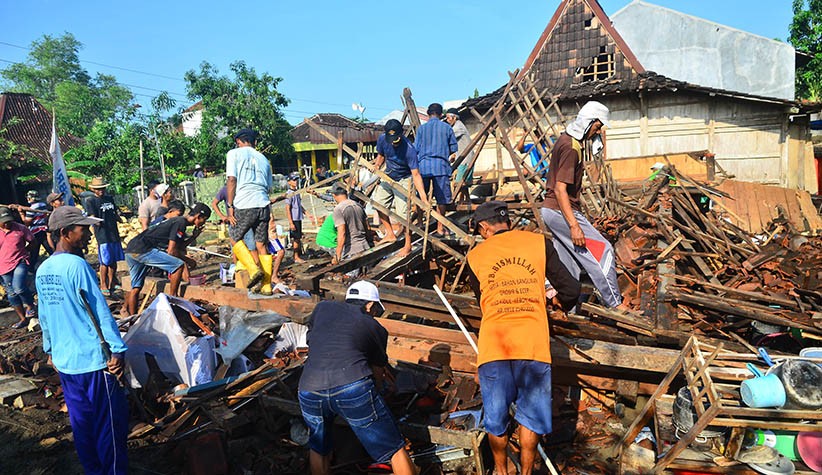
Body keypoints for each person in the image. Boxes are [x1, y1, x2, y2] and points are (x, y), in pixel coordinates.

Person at [465, 201, 580, 475]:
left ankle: (502, 472)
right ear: (507, 222)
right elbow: (571, 288)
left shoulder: (476, 256)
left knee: (496, 420)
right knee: (531, 419)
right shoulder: (538, 243)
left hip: (495, 347)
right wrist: (557, 301)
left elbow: (480, 298)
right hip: (533, 346)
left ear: (484, 227)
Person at [36, 206, 129, 474]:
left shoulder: (44, 270)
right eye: (83, 229)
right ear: (65, 233)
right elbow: (100, 312)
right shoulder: (77, 266)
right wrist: (117, 350)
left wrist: (50, 348)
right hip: (93, 363)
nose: (89, 234)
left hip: (66, 363)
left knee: (83, 426)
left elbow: (45, 314)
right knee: (109, 428)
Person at [298, 281, 416, 475]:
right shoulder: (374, 327)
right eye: (376, 309)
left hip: (309, 388)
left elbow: (312, 340)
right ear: (369, 305)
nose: (375, 314)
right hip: (351, 387)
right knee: (394, 449)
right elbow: (377, 369)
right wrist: (380, 392)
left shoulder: (323, 308)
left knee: (319, 447)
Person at [540, 101, 623, 308]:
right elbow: (560, 189)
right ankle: (614, 303)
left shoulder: (566, 140)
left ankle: (563, 304)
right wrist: (574, 225)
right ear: (589, 122)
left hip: (552, 210)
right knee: (602, 250)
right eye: (597, 126)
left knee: (567, 261)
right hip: (559, 210)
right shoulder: (571, 148)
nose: (598, 131)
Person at [124, 203, 210, 315]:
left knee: (136, 288)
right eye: (205, 219)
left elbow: (179, 247)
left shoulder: (178, 221)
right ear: (198, 216)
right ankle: (173, 298)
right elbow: (172, 251)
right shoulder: (180, 223)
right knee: (178, 265)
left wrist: (193, 236)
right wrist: (188, 260)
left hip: (131, 249)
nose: (204, 222)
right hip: (143, 250)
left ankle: (133, 320)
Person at [226, 128, 272, 290]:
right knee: (261, 244)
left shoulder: (234, 153)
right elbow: (269, 187)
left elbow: (232, 180)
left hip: (245, 203)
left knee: (234, 237)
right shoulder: (264, 159)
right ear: (255, 143)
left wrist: (230, 205)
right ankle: (267, 287)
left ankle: (253, 270)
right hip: (264, 204)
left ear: (238, 141)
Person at [373, 119, 427, 256]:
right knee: (378, 203)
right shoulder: (382, 139)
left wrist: (424, 198)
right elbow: (381, 155)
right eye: (391, 139)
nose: (393, 142)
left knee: (404, 215)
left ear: (401, 134)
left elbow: (416, 174)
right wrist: (377, 166)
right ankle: (390, 233)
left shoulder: (409, 149)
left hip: (405, 179)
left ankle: (407, 245)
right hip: (389, 175)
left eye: (396, 139)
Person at [414, 103, 458, 236]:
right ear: (441, 115)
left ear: (428, 114)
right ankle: (440, 227)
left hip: (424, 167)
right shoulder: (447, 128)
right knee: (442, 198)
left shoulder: (422, 129)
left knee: (421, 195)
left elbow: (416, 148)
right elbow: (454, 149)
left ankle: (421, 222)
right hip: (441, 167)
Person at [84, 177, 126, 296]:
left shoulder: (109, 199)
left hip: (113, 233)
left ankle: (112, 282)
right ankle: (103, 283)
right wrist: (95, 222)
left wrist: (119, 218)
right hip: (102, 234)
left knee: (113, 260)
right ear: (94, 190)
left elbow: (114, 212)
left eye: (102, 188)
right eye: (98, 189)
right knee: (105, 262)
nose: (101, 191)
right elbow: (92, 216)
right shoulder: (91, 201)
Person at [0, 206, 37, 328]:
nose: (7, 224)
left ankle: (30, 305)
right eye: (4, 223)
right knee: (11, 294)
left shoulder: (20, 228)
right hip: (3, 266)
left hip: (19, 261)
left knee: (19, 287)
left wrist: (25, 251)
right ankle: (22, 319)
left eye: (9, 221)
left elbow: (33, 241)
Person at [330, 184, 372, 263]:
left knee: (351, 275)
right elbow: (368, 228)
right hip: (365, 246)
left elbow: (342, 233)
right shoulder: (358, 205)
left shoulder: (338, 209)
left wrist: (337, 256)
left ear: (334, 195)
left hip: (352, 251)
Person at [444, 108, 474, 202]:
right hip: (462, 157)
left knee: (459, 181)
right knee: (463, 181)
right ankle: (465, 199)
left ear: (454, 118)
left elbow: (448, 138)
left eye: (448, 118)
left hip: (465, 158)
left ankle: (458, 199)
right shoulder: (456, 127)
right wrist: (453, 155)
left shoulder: (458, 127)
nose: (447, 120)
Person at [18, 189, 52, 266]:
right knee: (48, 248)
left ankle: (31, 268)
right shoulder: (43, 205)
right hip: (43, 229)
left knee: (34, 251)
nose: (27, 199)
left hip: (36, 231)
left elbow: (27, 222)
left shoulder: (32, 208)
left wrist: (21, 213)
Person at [284, 173, 311, 264]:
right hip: (294, 219)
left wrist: (306, 213)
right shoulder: (289, 194)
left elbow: (299, 205)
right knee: (296, 238)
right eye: (294, 180)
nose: (296, 182)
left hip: (298, 218)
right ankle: (296, 257)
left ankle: (297, 255)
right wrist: (291, 222)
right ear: (289, 182)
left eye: (296, 180)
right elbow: (287, 208)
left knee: (298, 238)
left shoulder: (297, 192)